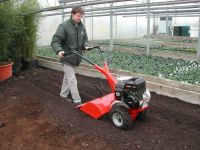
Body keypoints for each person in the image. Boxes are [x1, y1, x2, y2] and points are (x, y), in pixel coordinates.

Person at [51, 6, 90, 105]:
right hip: (67, 57)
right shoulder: (64, 26)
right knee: (72, 79)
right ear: (72, 14)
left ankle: (63, 95)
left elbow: (85, 39)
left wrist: (85, 46)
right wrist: (59, 50)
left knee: (67, 78)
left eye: (81, 16)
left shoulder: (81, 26)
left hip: (76, 58)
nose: (79, 18)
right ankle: (77, 101)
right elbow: (55, 41)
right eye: (78, 16)